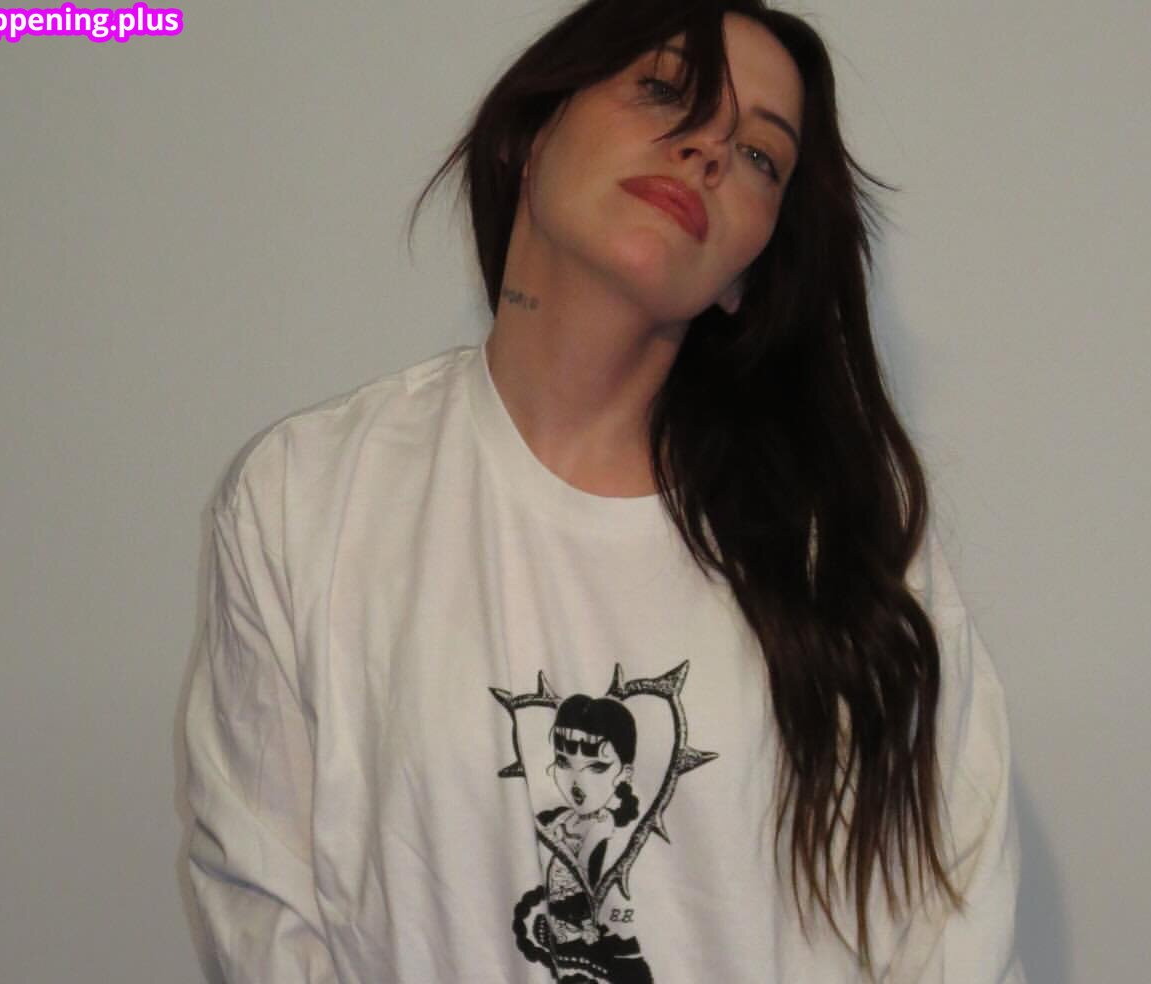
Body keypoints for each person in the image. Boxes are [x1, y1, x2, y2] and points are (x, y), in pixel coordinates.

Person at [182, 1, 1026, 981]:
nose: (709, 150)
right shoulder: (307, 497)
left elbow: (953, 925)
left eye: (760, 156)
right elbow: (266, 914)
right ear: (531, 140)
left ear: (744, 276)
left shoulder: (846, 540)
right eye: (665, 90)